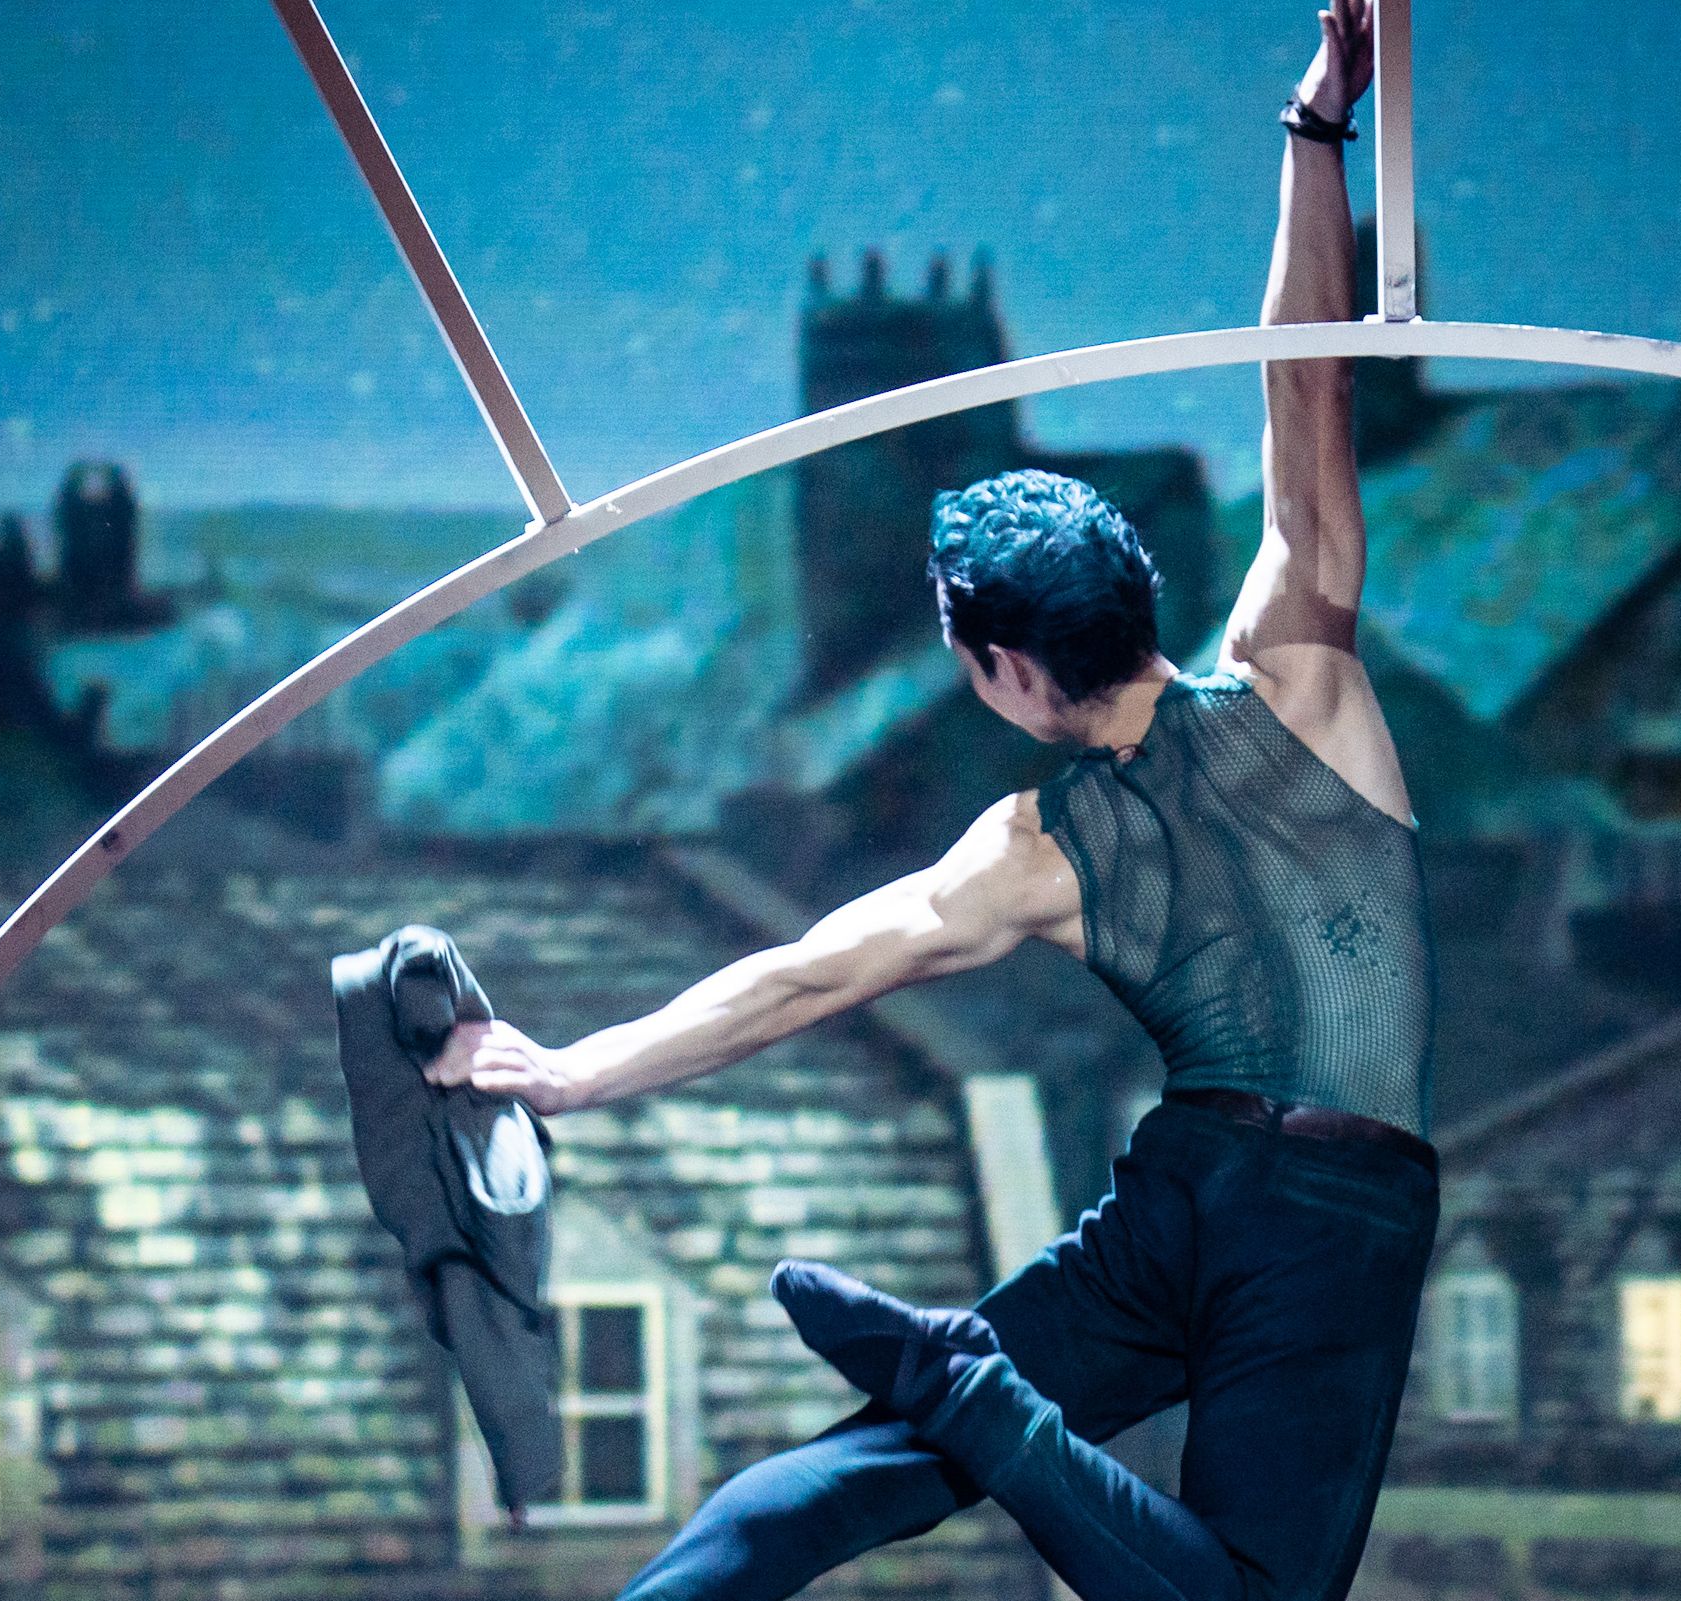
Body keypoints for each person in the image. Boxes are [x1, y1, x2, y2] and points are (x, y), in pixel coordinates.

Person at [427, 1, 1437, 1594]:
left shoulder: (1036, 849)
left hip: (1189, 1195)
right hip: (1332, 1220)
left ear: (999, 675)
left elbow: (807, 971)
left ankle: (942, 1407)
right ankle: (974, 1393)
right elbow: (1303, 390)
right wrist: (1315, 126)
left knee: (846, 1479)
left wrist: (564, 1075)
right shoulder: (1303, 672)